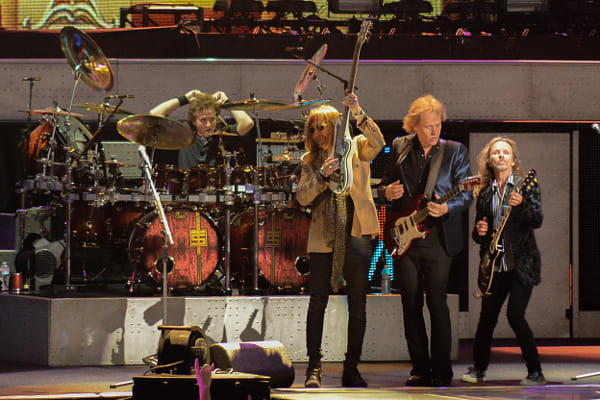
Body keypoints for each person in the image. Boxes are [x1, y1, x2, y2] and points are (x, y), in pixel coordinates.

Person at [378, 94, 473, 387]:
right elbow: (384, 184)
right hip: (405, 236)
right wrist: (386, 192)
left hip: (438, 238)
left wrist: (447, 207)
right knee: (410, 304)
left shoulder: (455, 151)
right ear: (415, 127)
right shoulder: (399, 146)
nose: (435, 131)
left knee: (437, 303)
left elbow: (466, 195)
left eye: (438, 125)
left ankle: (442, 371)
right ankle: (420, 368)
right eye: (428, 126)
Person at [296, 93, 385, 388]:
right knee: (317, 302)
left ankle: (352, 368)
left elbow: (378, 142)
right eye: (312, 129)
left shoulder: (357, 146)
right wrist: (322, 175)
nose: (317, 134)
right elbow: (302, 197)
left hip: (357, 231)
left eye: (322, 127)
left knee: (358, 303)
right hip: (324, 236)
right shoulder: (310, 160)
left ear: (335, 125)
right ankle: (314, 367)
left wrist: (358, 112)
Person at [460, 137, 545, 385]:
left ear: (513, 160)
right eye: (496, 152)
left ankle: (535, 371)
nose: (500, 155)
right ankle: (479, 370)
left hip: (521, 265)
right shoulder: (485, 193)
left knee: (515, 316)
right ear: (489, 160)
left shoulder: (524, 187)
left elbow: (537, 219)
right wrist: (480, 231)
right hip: (496, 265)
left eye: (505, 152)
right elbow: (479, 234)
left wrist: (522, 205)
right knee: (487, 318)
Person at [150, 90, 254, 169]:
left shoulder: (223, 132)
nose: (208, 125)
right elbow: (154, 114)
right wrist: (185, 99)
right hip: (187, 188)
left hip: (215, 189)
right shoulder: (185, 131)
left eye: (212, 119)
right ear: (194, 121)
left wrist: (226, 102)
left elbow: (247, 123)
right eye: (203, 120)